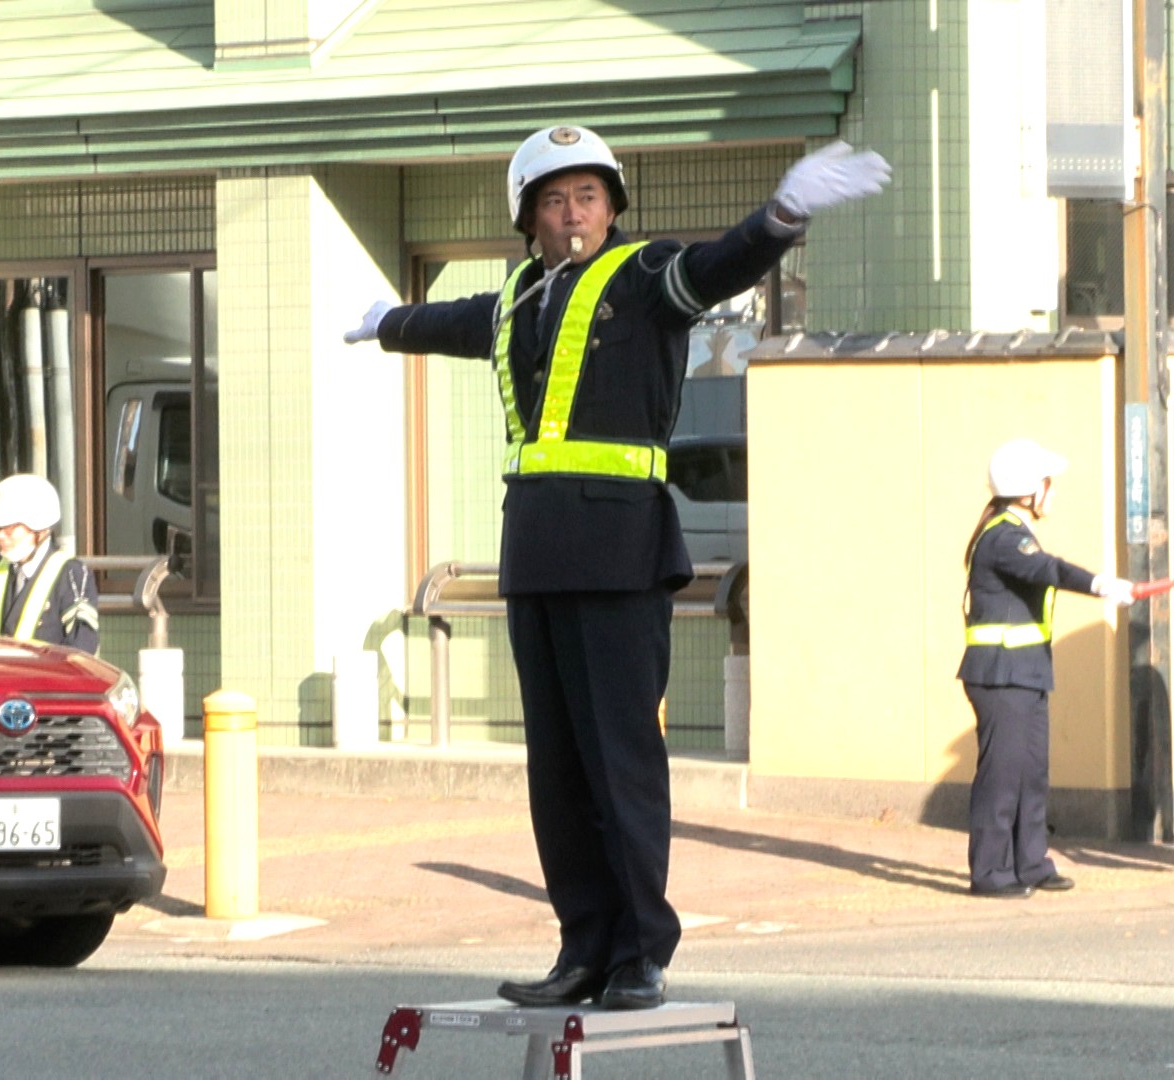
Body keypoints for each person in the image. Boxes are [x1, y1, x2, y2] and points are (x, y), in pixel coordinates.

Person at [345, 125, 890, 1008]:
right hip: (536, 555)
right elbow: (452, 321)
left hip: (622, 552)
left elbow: (715, 270)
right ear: (527, 217)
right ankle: (583, 949)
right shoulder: (520, 296)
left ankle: (641, 952)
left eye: (589, 198)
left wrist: (780, 218)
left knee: (622, 760)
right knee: (557, 771)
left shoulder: (642, 279)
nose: (574, 216)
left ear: (612, 209)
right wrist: (386, 325)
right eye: (555, 201)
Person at [959, 439, 1135, 899]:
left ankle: (1030, 863)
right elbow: (1048, 570)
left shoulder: (1011, 530)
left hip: (1024, 672)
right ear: (1026, 489)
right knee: (1002, 775)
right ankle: (991, 873)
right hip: (1002, 675)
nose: (1052, 491)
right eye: (1046, 482)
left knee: (1030, 773)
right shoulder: (1005, 536)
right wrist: (1100, 585)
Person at [0, 473, 101, 654]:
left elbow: (83, 650)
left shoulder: (72, 575)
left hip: (48, 681)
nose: (0, 535)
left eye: (10, 527)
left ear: (42, 530)